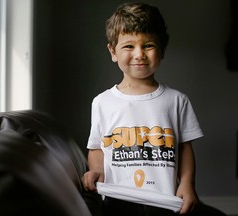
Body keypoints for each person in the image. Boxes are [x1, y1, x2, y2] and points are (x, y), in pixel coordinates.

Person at [82, 2, 204, 216]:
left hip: (165, 202)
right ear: (113, 51)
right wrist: (98, 170)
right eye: (129, 46)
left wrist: (187, 183)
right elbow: (97, 147)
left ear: (162, 50)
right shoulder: (102, 102)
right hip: (117, 200)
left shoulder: (177, 100)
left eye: (148, 45)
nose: (139, 54)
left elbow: (185, 148)